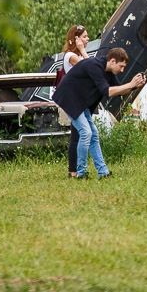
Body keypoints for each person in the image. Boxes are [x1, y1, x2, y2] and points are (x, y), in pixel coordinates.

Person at [52, 47, 145, 180]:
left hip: (81, 101)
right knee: (86, 133)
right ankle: (81, 173)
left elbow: (119, 90)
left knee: (93, 135)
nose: (122, 70)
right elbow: (107, 91)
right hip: (69, 99)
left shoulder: (108, 71)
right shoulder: (95, 66)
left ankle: (103, 172)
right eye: (121, 66)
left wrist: (135, 85)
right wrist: (130, 85)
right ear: (113, 61)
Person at [61, 25, 90, 178]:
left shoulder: (76, 55)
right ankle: (74, 171)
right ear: (76, 39)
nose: (88, 39)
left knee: (77, 134)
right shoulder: (71, 56)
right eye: (85, 36)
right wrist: (82, 50)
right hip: (74, 99)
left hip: (79, 97)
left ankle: (74, 170)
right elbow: (90, 68)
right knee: (79, 135)